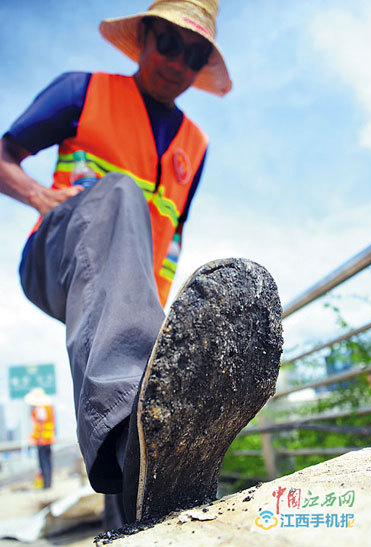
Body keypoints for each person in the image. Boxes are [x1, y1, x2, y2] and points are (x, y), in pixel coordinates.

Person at [0, 0, 283, 531]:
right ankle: (133, 426)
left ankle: (137, 498)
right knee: (120, 193)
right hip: (54, 258)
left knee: (150, 365)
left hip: (127, 292)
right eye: (170, 44)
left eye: (194, 55)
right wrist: (40, 195)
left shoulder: (194, 146)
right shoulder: (82, 91)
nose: (178, 62)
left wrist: (163, 336)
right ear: (146, 37)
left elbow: (170, 240)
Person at [25, 388, 55, 489]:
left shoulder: (40, 409)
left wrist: (37, 438)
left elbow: (41, 425)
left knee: (43, 462)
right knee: (48, 461)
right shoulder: (48, 408)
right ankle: (48, 482)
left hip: (42, 440)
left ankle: (46, 484)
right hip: (48, 438)